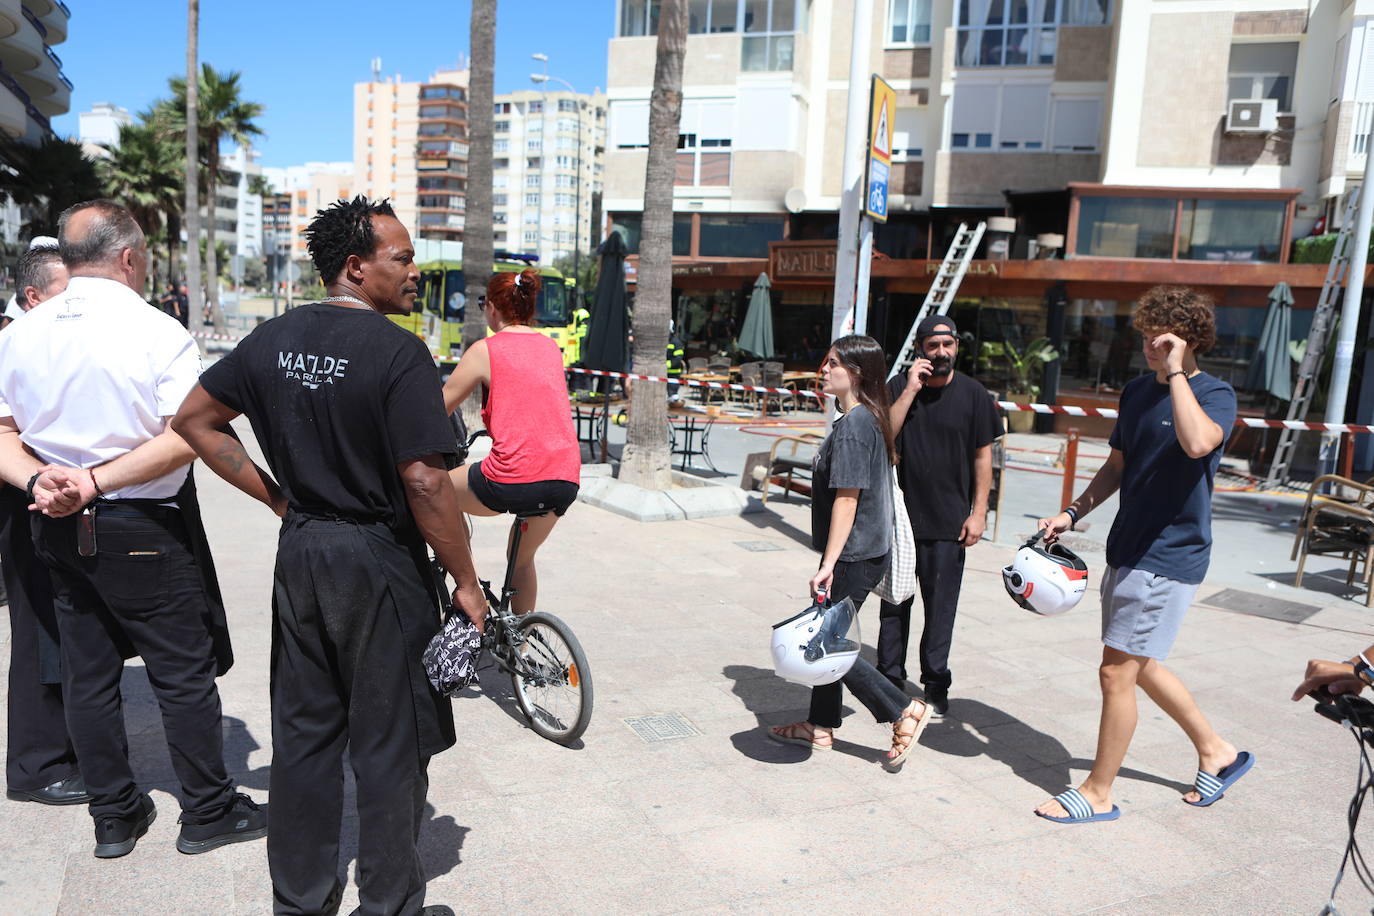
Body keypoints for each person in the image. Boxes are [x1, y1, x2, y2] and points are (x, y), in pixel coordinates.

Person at [173, 196, 480, 916]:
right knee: (388, 741)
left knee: (305, 737)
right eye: (401, 257)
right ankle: (388, 905)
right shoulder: (400, 352)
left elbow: (193, 419)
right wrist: (466, 581)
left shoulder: (272, 339)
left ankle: (301, 902)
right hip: (376, 557)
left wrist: (280, 500)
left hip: (304, 552)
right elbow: (426, 479)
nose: (413, 270)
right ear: (356, 266)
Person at [0, 200, 266, 858]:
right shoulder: (154, 329)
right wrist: (95, 481)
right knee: (181, 671)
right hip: (140, 520)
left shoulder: (20, 332)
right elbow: (189, 436)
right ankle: (207, 809)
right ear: (128, 258)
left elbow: (3, 431)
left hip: (56, 518)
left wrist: (41, 481)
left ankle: (114, 815)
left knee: (87, 672)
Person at [1033, 286, 1251, 824]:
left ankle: (1098, 792)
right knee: (1139, 661)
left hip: (1170, 552)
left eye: (1164, 336)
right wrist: (1072, 512)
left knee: (1116, 671)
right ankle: (1215, 752)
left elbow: (1199, 444)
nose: (1151, 343)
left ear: (1190, 339)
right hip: (1128, 546)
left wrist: (1177, 374)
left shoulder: (1214, 392)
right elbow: (1117, 466)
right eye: (1147, 333)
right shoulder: (1134, 391)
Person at [767, 335, 930, 771]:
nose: (823, 369)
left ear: (855, 373)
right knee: (829, 634)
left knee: (823, 643)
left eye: (832, 363)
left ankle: (902, 710)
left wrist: (828, 563)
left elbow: (847, 499)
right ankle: (819, 725)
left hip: (854, 553)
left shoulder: (857, 424)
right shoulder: (860, 417)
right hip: (861, 549)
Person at [878, 315, 1002, 715]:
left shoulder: (975, 395)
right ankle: (888, 678)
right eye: (933, 346)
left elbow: (984, 458)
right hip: (900, 519)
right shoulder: (899, 387)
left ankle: (935, 683)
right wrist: (911, 389)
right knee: (895, 603)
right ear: (920, 348)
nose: (941, 352)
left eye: (947, 345)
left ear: (956, 348)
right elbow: (885, 437)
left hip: (950, 523)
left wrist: (979, 512)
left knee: (940, 609)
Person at [0, 242, 86, 807]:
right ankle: (37, 765)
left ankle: (62, 746)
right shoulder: (14, 342)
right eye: (65, 295)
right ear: (33, 298)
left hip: (46, 497)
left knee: (58, 630)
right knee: (36, 631)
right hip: (23, 501)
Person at [441, 267, 579, 616]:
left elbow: (436, 409)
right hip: (564, 478)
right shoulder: (551, 348)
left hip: (510, 478)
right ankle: (521, 641)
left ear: (491, 307)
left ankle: (469, 586)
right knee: (521, 560)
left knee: (432, 491)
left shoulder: (485, 350)